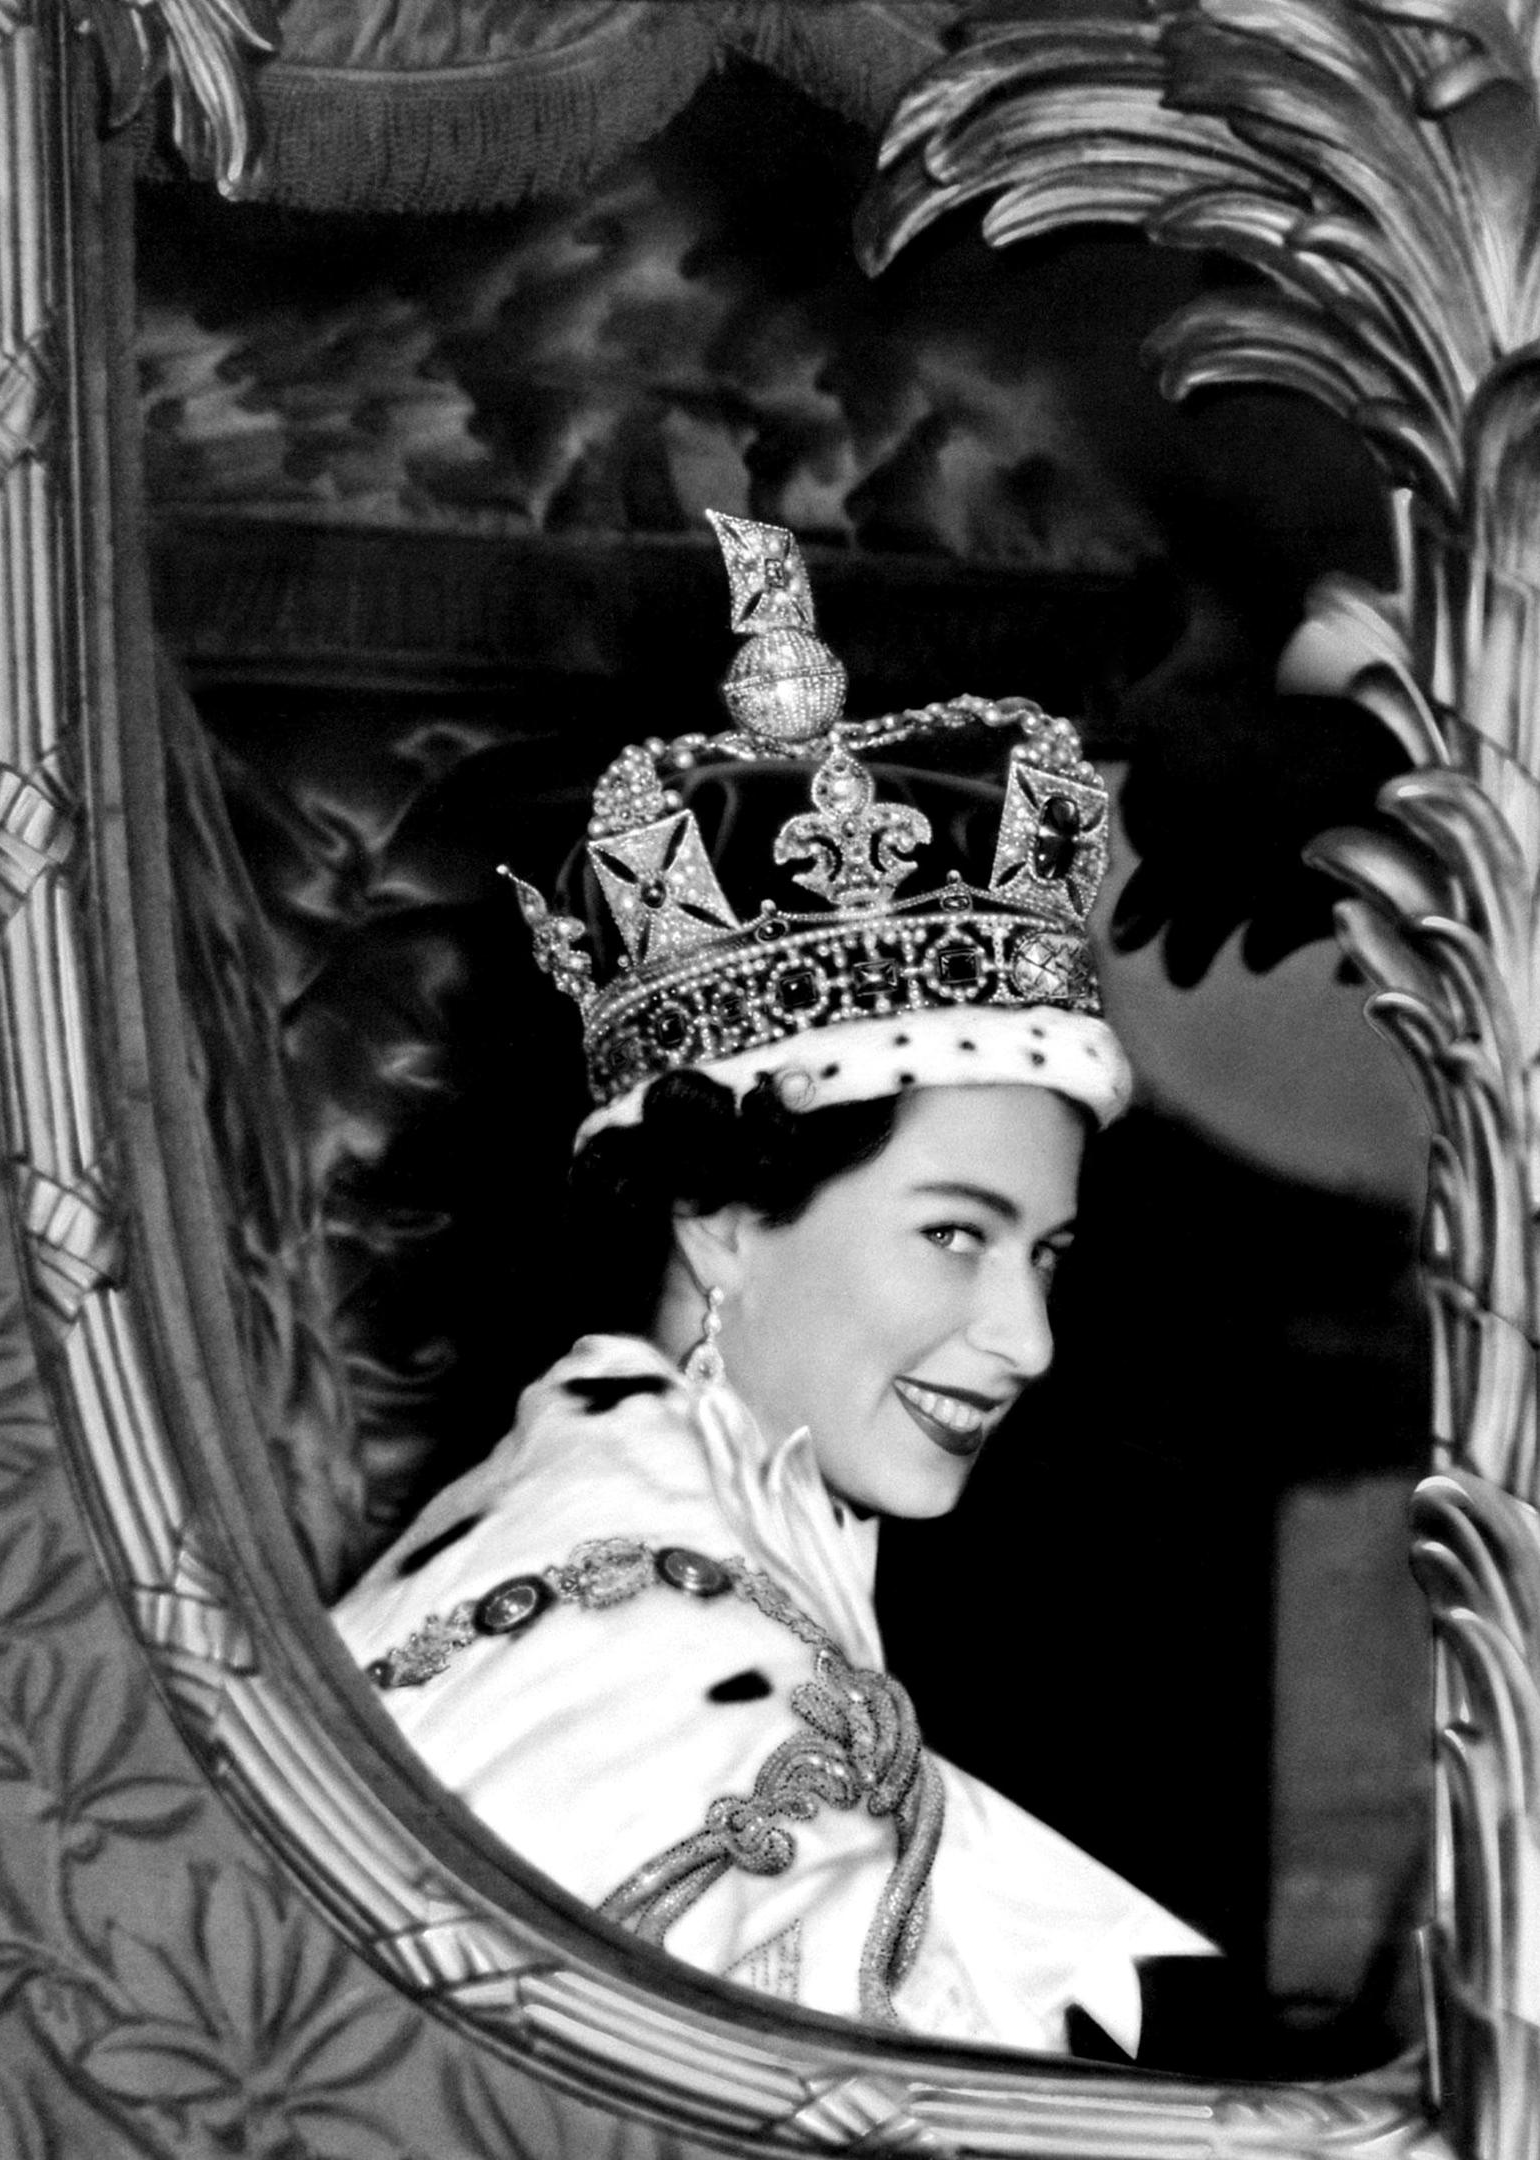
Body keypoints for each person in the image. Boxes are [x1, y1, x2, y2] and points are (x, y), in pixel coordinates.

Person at [333, 510, 1214, 2055]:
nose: (1025, 1340)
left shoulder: (635, 1535)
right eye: (955, 1232)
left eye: (1046, 1253)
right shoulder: (670, 1661)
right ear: (721, 1219)